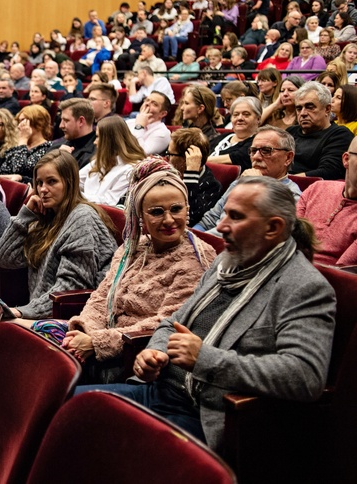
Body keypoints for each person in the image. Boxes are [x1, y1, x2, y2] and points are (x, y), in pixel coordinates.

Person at [78, 176, 336, 453]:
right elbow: (172, 322)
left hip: (209, 415)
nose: (221, 226)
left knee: (96, 440)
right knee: (63, 403)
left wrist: (205, 359)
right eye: (225, 214)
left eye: (235, 217)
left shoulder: (304, 287)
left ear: (273, 228)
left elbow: (305, 376)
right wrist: (155, 352)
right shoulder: (227, 263)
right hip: (160, 393)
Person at [28, 158, 216, 383]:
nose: (168, 220)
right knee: (32, 344)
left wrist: (97, 343)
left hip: (134, 355)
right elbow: (101, 297)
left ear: (187, 210)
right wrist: (86, 332)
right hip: (97, 340)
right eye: (156, 212)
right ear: (141, 217)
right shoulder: (131, 248)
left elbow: (167, 322)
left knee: (47, 374)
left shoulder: (195, 259)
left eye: (176, 209)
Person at [0, 150, 116, 319]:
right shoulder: (45, 217)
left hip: (70, 320)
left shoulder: (82, 218)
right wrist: (25, 215)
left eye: (51, 182)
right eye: (39, 183)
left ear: (69, 183)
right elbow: (3, 259)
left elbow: (69, 291)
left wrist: (23, 312)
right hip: (41, 313)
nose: (43, 189)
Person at [194, 126, 302, 233]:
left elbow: (263, 237)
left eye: (266, 151)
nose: (256, 157)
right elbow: (209, 220)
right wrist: (193, 238)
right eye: (253, 150)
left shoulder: (292, 196)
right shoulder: (242, 180)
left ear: (288, 158)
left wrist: (260, 188)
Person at [297, 135, 357, 265]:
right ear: (346, 159)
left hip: (325, 282)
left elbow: (341, 272)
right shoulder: (317, 188)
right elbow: (288, 238)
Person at [288, 81, 354, 178]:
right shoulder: (290, 132)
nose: (303, 113)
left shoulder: (339, 135)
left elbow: (329, 172)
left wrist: (285, 181)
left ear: (327, 109)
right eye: (299, 108)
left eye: (310, 107)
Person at [80, 115, 146, 205]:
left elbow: (109, 201)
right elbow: (76, 179)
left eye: (98, 137)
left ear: (109, 141)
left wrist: (77, 197)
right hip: (84, 208)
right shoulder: (102, 160)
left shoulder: (131, 169)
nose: (94, 142)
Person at [0, 105, 54, 184]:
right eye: (19, 121)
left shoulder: (48, 148)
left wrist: (23, 140)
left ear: (39, 124)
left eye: (23, 121)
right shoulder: (16, 147)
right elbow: (1, 172)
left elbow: (18, 169)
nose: (19, 126)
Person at [208, 96, 261, 170]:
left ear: (258, 119)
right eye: (235, 115)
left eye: (246, 114)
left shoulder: (257, 142)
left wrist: (199, 161)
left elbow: (236, 158)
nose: (240, 118)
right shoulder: (223, 137)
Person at [53, 98, 97, 167]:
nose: (61, 126)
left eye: (66, 120)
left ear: (81, 121)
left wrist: (62, 160)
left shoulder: (93, 155)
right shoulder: (56, 145)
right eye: (61, 120)